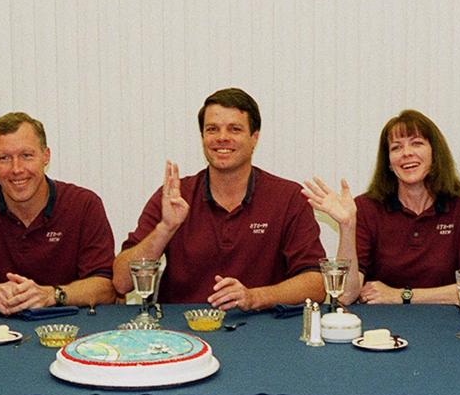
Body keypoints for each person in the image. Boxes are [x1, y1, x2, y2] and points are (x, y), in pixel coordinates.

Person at [114, 87, 338, 310]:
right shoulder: (175, 196)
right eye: (212, 129)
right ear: (202, 136)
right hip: (183, 334)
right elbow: (121, 282)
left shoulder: (287, 198)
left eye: (235, 129)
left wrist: (254, 297)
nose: (222, 138)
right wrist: (165, 228)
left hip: (261, 329)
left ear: (254, 138)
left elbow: (316, 284)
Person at [305, 109, 460, 305]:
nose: (406, 153)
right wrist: (347, 225)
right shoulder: (366, 207)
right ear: (388, 162)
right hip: (382, 329)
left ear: (435, 153)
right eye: (396, 147)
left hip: (451, 323)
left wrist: (402, 295)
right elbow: (345, 296)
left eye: (417, 143)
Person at [0, 112, 116, 315]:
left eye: (27, 155)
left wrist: (52, 295)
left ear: (46, 156)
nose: (17, 169)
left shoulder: (84, 204)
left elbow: (106, 288)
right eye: (5, 158)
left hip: (69, 330)